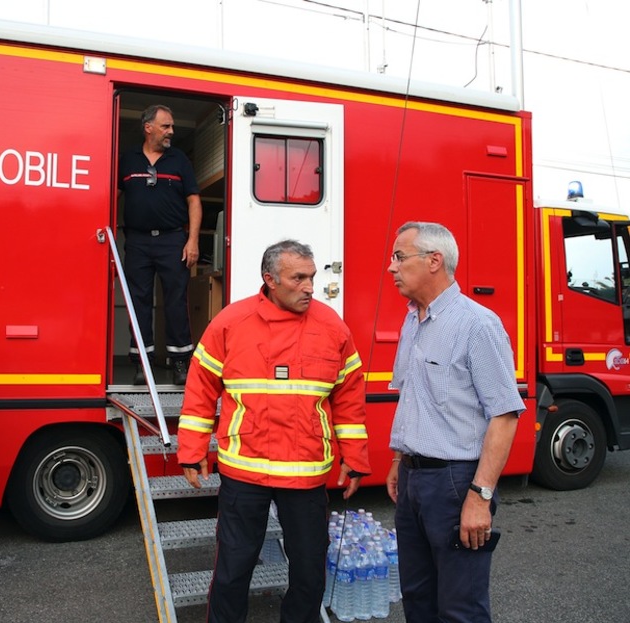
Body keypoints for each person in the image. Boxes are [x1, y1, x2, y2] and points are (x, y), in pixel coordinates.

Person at [177, 239, 371, 623]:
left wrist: (355, 457)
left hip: (306, 473)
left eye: (312, 277)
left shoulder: (332, 326)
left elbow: (349, 397)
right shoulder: (231, 323)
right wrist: (192, 449)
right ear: (270, 279)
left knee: (309, 570)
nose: (310, 288)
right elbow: (200, 388)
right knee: (233, 568)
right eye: (298, 278)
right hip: (245, 470)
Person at [385, 222, 525, 623]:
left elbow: (504, 414)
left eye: (399, 256)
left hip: (455, 481)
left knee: (460, 608)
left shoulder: (477, 324)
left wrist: (480, 497)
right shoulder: (412, 320)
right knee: (417, 597)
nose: (391, 268)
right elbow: (413, 397)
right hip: (413, 480)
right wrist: (398, 459)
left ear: (434, 261)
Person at [119, 104, 202, 385]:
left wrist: (192, 240)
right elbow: (111, 196)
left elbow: (194, 200)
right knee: (138, 303)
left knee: (175, 302)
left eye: (172, 126)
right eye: (166, 126)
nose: (171, 132)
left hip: (173, 241)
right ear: (148, 127)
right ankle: (143, 364)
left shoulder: (179, 160)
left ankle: (181, 363)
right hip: (138, 242)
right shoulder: (127, 159)